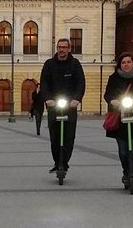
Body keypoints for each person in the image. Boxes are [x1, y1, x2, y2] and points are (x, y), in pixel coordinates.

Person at [104, 52, 133, 183]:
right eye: (123, 62)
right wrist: (112, 101)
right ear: (120, 65)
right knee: (123, 150)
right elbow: (108, 94)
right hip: (119, 115)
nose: (126, 65)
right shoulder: (113, 78)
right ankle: (126, 171)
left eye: (128, 62)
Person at [40, 38, 86, 173]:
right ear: (57, 48)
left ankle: (64, 162)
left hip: (70, 106)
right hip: (53, 106)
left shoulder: (75, 64)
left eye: (64, 47)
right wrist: (47, 99)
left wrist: (77, 99)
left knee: (69, 136)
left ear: (69, 49)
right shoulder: (49, 64)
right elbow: (44, 83)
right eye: (60, 47)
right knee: (54, 137)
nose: (62, 50)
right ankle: (57, 162)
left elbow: (80, 83)